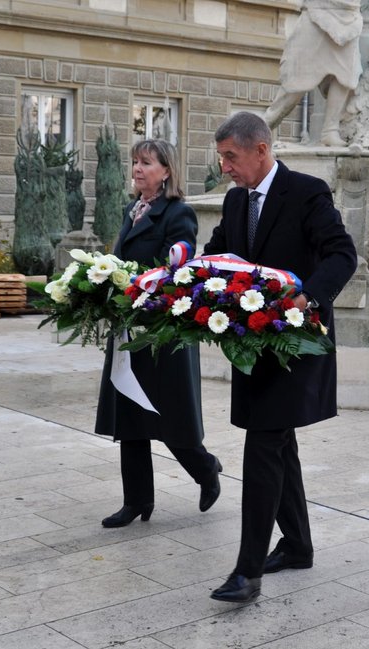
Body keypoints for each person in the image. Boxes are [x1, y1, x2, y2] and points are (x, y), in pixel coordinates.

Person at [204, 112, 357, 602]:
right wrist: (181, 271)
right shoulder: (234, 202)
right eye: (221, 156)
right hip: (253, 347)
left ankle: (248, 572)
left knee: (264, 445)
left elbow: (342, 254)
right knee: (277, 441)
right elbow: (218, 257)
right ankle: (297, 546)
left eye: (231, 156)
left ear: (261, 150)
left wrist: (308, 299)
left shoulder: (307, 192)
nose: (225, 166)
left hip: (296, 344)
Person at [94, 139, 222, 528]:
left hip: (162, 333)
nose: (137, 168)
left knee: (170, 418)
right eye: (134, 161)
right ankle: (136, 501)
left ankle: (206, 470)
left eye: (146, 162)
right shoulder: (130, 210)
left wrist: (139, 282)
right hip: (129, 329)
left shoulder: (178, 213)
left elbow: (178, 265)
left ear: (166, 171)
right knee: (130, 416)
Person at [263, 0, 362, 146]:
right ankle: (261, 127)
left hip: (349, 14)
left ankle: (330, 130)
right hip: (319, 10)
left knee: (346, 74)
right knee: (297, 80)